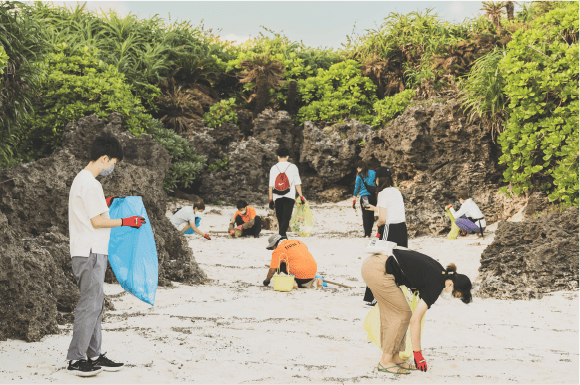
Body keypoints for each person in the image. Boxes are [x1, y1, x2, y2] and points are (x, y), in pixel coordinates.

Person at [67, 133, 145, 376]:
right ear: (104, 158)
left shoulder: (82, 180)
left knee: (96, 304)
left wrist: (108, 201)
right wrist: (127, 221)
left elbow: (93, 212)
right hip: (90, 251)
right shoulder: (90, 183)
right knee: (90, 305)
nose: (113, 167)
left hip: (91, 250)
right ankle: (76, 359)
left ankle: (94, 354)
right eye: (114, 162)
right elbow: (97, 221)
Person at [361, 248, 472, 374]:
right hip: (379, 270)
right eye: (456, 295)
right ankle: (385, 361)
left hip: (374, 265)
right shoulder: (436, 284)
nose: (451, 297)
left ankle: (394, 357)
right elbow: (415, 319)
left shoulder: (439, 273)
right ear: (451, 285)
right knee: (402, 314)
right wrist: (418, 355)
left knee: (397, 313)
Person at [364, 167, 408, 306]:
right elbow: (391, 209)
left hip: (390, 228)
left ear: (379, 179)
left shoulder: (382, 193)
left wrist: (378, 226)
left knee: (380, 262)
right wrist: (374, 208)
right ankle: (401, 294)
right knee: (400, 261)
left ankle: (373, 297)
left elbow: (382, 218)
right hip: (402, 228)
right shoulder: (396, 191)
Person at [268, 147, 305, 237]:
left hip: (277, 195)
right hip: (290, 195)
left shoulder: (273, 168)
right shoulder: (293, 167)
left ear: (278, 156)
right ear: (287, 156)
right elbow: (297, 183)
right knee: (286, 218)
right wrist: (301, 196)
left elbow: (270, 186)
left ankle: (281, 236)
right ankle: (282, 236)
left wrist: (270, 199)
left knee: (280, 218)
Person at [352, 161, 377, 238]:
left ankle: (367, 234)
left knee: (366, 215)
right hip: (373, 196)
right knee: (371, 214)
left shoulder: (359, 176)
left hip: (365, 197)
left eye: (358, 168)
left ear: (360, 168)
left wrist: (354, 197)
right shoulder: (373, 172)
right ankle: (369, 231)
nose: (357, 169)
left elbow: (357, 188)